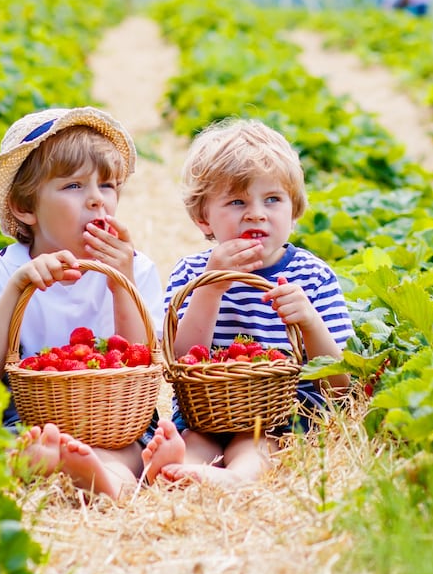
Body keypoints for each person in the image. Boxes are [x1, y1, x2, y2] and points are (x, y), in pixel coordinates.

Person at [0, 106, 164, 499]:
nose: (96, 201)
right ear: (25, 207)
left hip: (115, 416)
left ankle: (104, 479)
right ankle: (67, 464)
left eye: (107, 186)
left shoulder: (135, 270)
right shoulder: (0, 270)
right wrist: (17, 289)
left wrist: (123, 284)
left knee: (130, 452)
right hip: (28, 416)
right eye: (73, 187)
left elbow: (142, 360)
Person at [141, 119, 354, 487]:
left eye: (272, 199)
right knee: (196, 439)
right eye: (237, 201)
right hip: (206, 410)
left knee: (254, 441)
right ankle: (181, 468)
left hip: (278, 412)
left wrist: (308, 321)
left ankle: (238, 478)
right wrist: (211, 288)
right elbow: (178, 360)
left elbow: (340, 385)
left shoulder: (312, 276)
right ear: (202, 217)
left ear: (295, 209)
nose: (256, 213)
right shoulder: (192, 273)